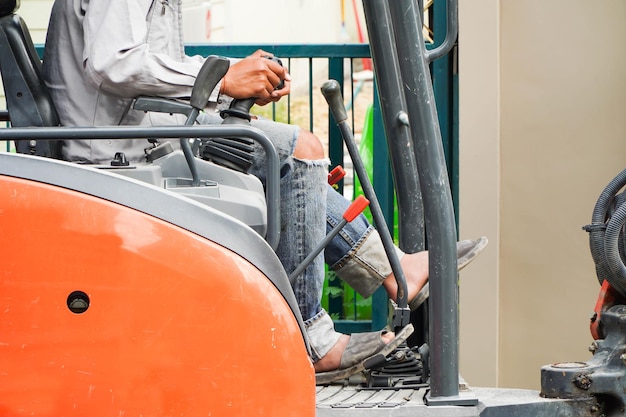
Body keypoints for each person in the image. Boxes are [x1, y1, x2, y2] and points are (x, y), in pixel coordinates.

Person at [41, 0, 487, 383]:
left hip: (147, 133)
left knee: (296, 155)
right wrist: (223, 79)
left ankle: (394, 272)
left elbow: (146, 65)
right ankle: (313, 339)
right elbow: (112, 63)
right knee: (299, 152)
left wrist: (231, 77)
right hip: (123, 151)